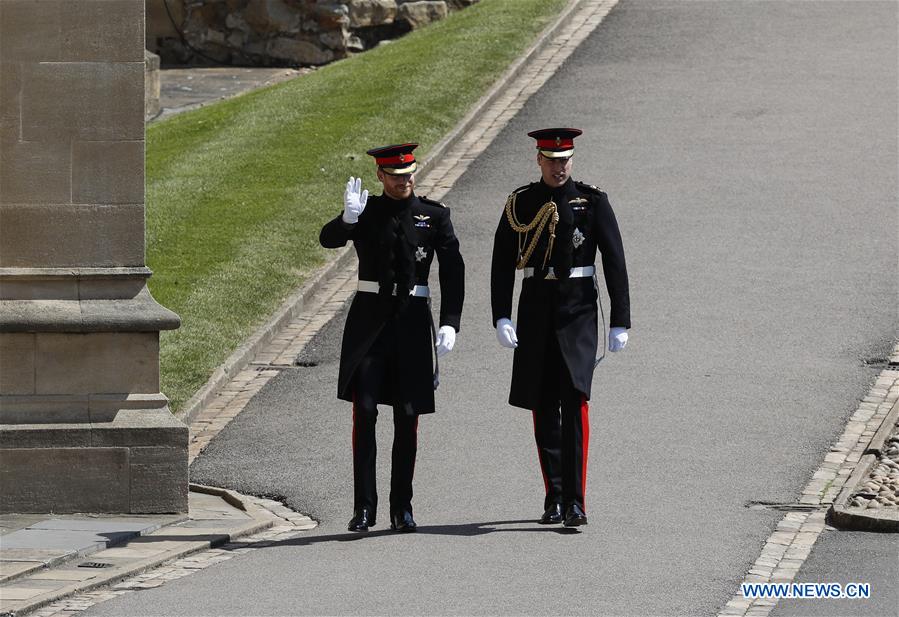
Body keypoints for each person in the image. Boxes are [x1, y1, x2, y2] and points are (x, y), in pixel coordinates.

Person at [319, 143, 465, 533]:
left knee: (407, 415)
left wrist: (450, 322)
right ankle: (364, 508)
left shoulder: (434, 215)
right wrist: (347, 220)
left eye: (409, 174)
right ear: (381, 176)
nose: (404, 181)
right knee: (365, 412)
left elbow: (453, 269)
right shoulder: (367, 212)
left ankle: (402, 507)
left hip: (412, 322)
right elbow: (328, 239)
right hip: (370, 323)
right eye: (396, 176)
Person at [490, 128, 630, 528]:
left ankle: (576, 501)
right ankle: (553, 495)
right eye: (552, 160)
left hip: (578, 309)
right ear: (539, 160)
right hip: (536, 306)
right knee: (543, 403)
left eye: (565, 159)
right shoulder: (521, 202)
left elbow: (614, 261)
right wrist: (501, 315)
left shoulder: (592, 201)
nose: (559, 167)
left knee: (575, 399)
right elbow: (502, 261)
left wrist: (620, 320)